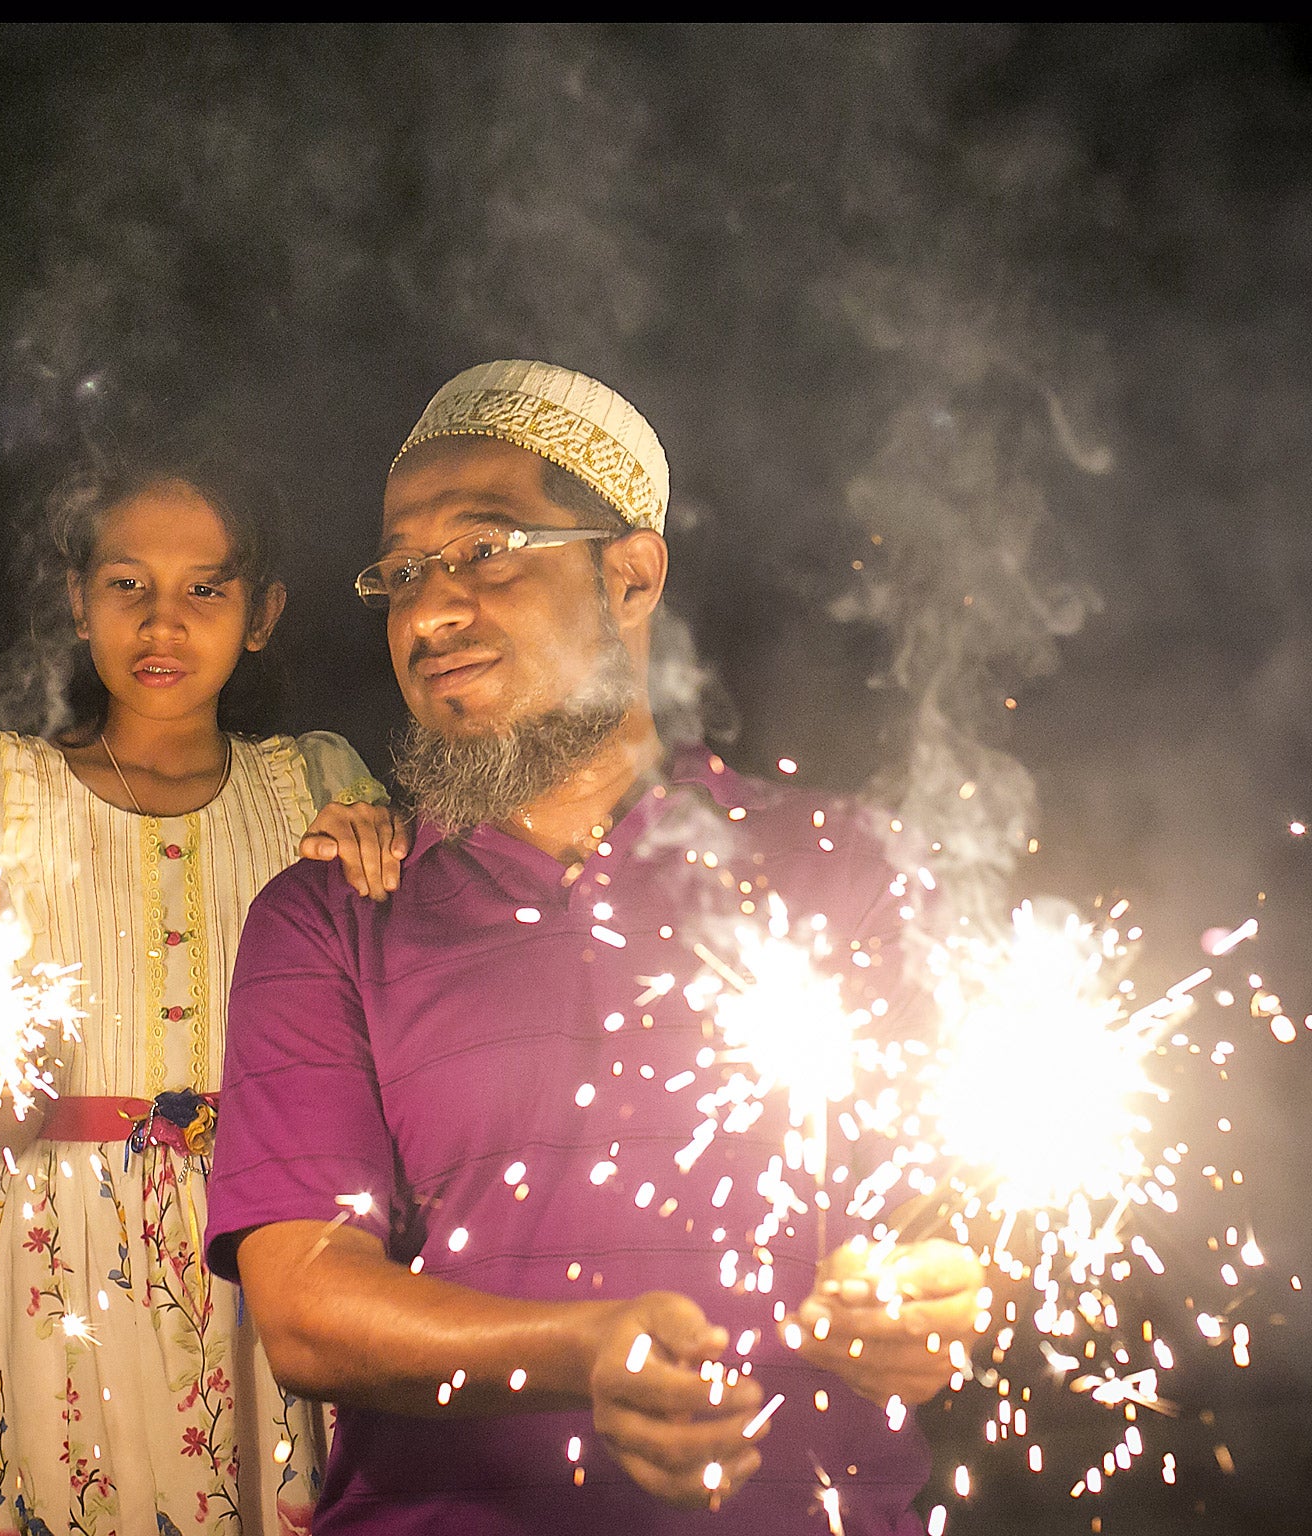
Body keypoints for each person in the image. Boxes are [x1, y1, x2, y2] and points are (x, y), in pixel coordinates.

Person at [205, 362, 985, 1534]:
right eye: (401, 573)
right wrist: (583, 1349)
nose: (427, 613)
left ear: (629, 573)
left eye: (483, 550)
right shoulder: (326, 916)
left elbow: (935, 1218)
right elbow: (308, 1311)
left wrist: (924, 1303)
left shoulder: (848, 868)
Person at [0, 447, 407, 1536]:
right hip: (55, 1245)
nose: (161, 624)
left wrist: (373, 857)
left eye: (203, 590)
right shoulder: (2, 797)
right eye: (128, 586)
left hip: (263, 1234)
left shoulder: (315, 788)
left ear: (259, 611)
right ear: (80, 602)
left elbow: (379, 1025)